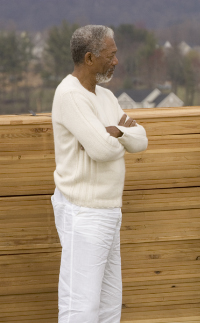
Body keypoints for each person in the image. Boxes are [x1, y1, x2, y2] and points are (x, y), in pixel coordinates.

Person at [51, 25, 148, 322]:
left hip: (107, 212)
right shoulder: (70, 95)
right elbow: (102, 150)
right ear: (90, 58)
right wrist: (119, 139)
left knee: (108, 304)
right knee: (80, 305)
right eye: (111, 54)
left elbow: (141, 138)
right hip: (83, 213)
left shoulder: (106, 98)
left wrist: (116, 131)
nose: (116, 61)